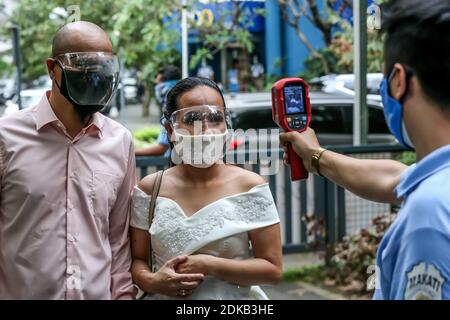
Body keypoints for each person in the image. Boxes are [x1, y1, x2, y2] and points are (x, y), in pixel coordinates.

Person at [280, 0, 450, 300]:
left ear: (398, 80)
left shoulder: (430, 213)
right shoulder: (436, 184)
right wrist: (316, 156)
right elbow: (396, 179)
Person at [0, 21, 135, 299]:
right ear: (52, 68)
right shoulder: (6, 137)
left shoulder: (119, 141)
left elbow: (119, 238)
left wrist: (122, 295)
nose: (96, 74)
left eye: (104, 65)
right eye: (83, 64)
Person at [130, 77, 282, 299]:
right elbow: (138, 260)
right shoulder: (150, 189)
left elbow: (273, 269)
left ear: (226, 124)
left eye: (215, 118)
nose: (206, 130)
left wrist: (210, 265)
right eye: (192, 119)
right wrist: (152, 281)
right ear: (170, 128)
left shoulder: (251, 186)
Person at [135, 65, 181, 157]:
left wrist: (129, 152)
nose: (157, 88)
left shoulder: (170, 112)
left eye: (158, 84)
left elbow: (161, 148)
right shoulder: (182, 106)